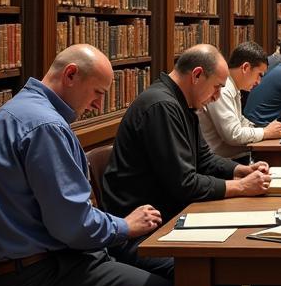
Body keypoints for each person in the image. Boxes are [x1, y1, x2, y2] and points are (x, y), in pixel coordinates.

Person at [0, 45, 173, 286]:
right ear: (71, 75)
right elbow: (73, 226)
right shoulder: (46, 127)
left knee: (171, 267)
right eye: (98, 92)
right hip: (43, 274)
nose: (99, 105)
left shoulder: (19, 109)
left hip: (44, 261)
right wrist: (125, 225)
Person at [101, 45, 272, 225]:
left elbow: (204, 158)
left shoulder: (183, 104)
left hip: (169, 210)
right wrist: (241, 186)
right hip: (148, 224)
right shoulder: (162, 106)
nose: (217, 96)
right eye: (217, 87)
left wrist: (241, 170)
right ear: (197, 75)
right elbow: (184, 184)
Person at [198, 40, 281, 160]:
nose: (259, 82)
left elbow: (240, 121)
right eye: (259, 74)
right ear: (246, 67)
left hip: (231, 158)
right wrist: (265, 132)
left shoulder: (232, 86)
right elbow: (234, 135)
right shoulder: (223, 89)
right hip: (221, 163)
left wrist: (265, 129)